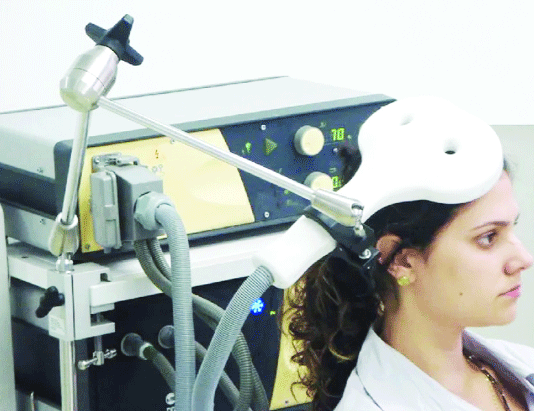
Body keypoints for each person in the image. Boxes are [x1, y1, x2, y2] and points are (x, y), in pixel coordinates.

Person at [285, 104, 534, 410]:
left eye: (512, 228)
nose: (523, 259)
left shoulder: (521, 367)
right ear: (401, 261)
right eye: (488, 237)